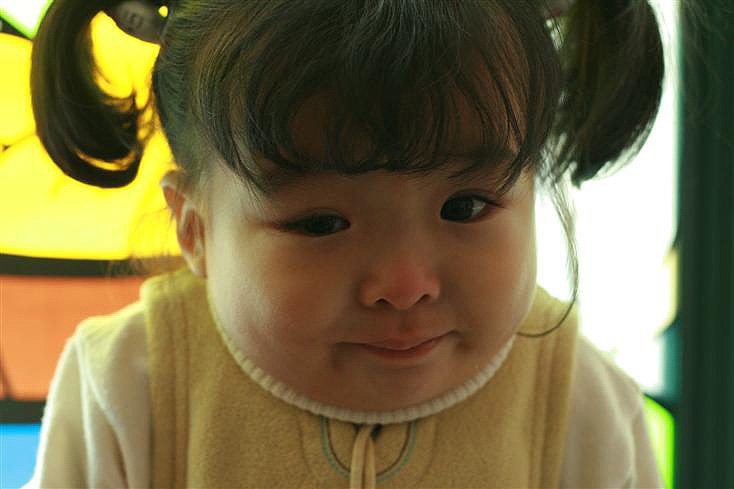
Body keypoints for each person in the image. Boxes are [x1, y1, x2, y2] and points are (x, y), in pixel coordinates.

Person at [25, 0, 666, 487]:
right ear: (195, 228)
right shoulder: (129, 387)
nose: (404, 285)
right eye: (322, 224)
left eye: (465, 206)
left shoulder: (580, 403)